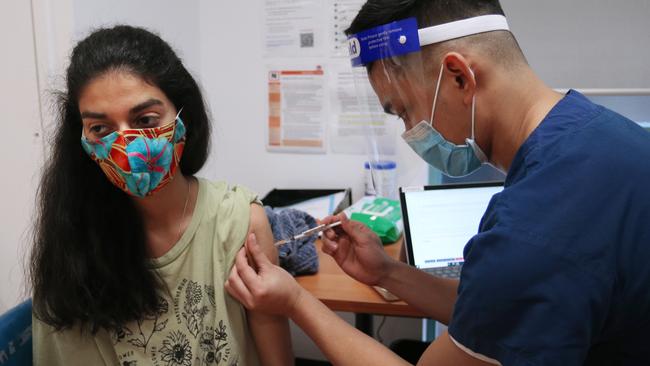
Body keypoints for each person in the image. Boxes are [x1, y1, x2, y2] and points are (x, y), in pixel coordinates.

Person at [225, 0, 650, 365]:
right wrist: (388, 272)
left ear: (459, 77)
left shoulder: (534, 224)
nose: (411, 132)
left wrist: (297, 302)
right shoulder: (603, 136)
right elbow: (494, 313)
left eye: (404, 111)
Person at [30, 25, 292, 365]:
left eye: (145, 119)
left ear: (183, 116)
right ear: (82, 138)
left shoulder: (239, 222)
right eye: (100, 128)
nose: (128, 145)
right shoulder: (72, 244)